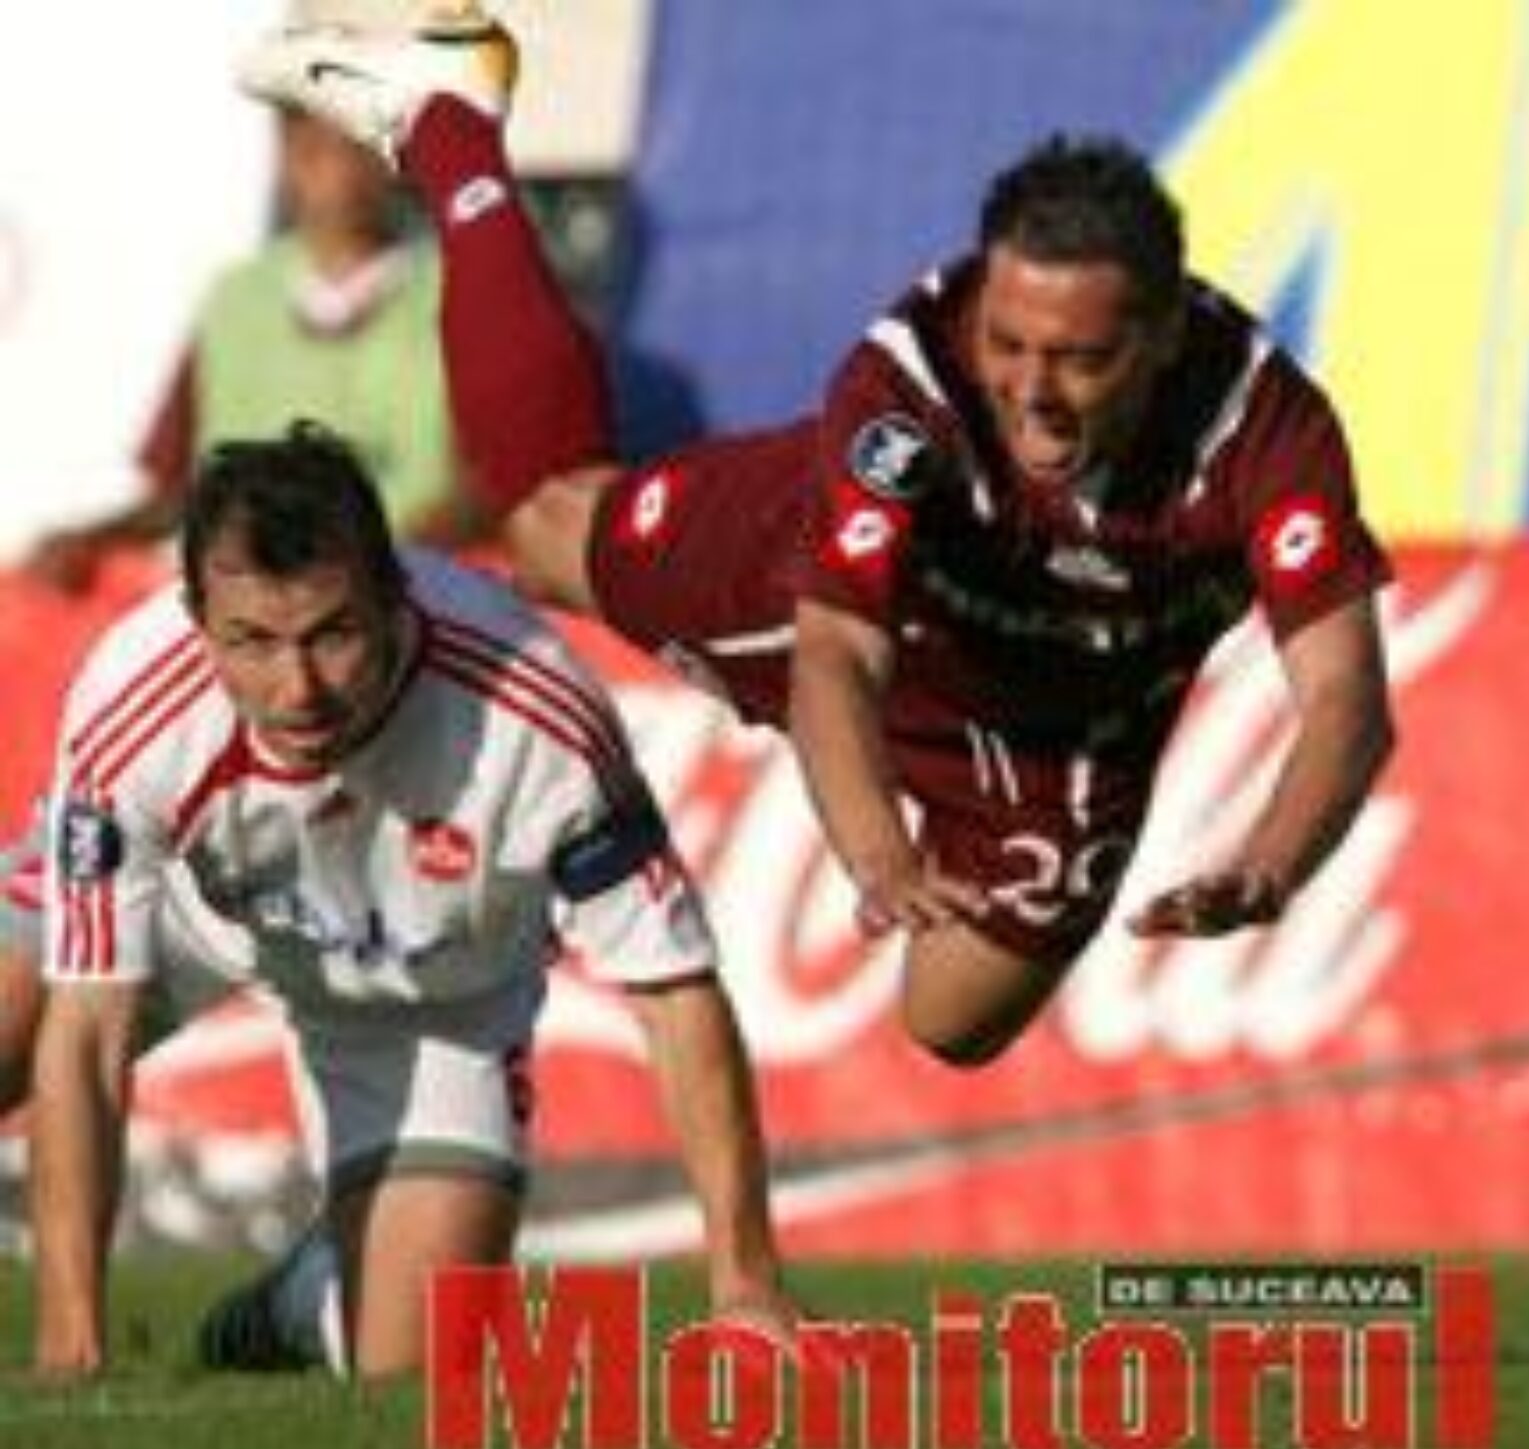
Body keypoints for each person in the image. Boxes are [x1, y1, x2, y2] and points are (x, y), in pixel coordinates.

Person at [237, 9, 1397, 1069]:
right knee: (547, 527)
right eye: (1009, 345)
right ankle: (453, 126)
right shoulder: (914, 380)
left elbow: (1345, 694)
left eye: (1081, 360)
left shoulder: (1266, 425)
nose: (1033, 392)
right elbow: (837, 651)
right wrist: (878, 853)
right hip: (842, 596)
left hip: (1067, 721)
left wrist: (1274, 861)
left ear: (1164, 335)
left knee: (953, 1022)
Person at [20, 422, 789, 1378]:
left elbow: (675, 994)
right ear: (197, 616)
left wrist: (744, 1283)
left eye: (332, 635)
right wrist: (70, 1346)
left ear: (394, 595)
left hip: (435, 995)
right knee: (20, 1008)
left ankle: (302, 1304)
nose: (296, 689)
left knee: (417, 1361)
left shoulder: (535, 713)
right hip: (195, 909)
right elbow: (86, 1029)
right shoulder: (134, 697)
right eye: (251, 642)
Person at [23, 107, 476, 594]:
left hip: (405, 595)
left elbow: (492, 487)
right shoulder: (234, 300)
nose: (340, 175)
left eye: (359, 152)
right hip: (245, 604)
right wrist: (93, 537)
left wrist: (371, 569)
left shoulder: (462, 292)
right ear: (283, 155)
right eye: (314, 152)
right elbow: (182, 489)